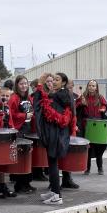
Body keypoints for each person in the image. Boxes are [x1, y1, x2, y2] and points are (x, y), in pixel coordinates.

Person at [34, 73, 74, 205]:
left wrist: (40, 84)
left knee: (53, 164)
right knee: (52, 163)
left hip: (56, 134)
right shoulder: (61, 94)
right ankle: (54, 190)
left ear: (63, 83)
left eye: (57, 80)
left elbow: (43, 100)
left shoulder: (60, 95)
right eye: (53, 79)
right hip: (56, 133)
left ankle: (57, 195)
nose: (54, 82)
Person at [8, 75, 36, 193]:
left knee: (28, 157)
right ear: (17, 85)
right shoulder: (14, 98)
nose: (24, 86)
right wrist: (24, 116)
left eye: (25, 83)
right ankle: (19, 184)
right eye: (21, 84)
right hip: (19, 130)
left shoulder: (29, 97)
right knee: (20, 158)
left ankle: (27, 182)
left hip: (28, 129)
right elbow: (11, 114)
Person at [78, 79, 107, 175]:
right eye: (90, 85)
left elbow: (105, 105)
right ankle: (87, 168)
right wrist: (81, 104)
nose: (91, 87)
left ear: (96, 88)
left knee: (99, 147)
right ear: (87, 86)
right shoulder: (83, 97)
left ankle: (100, 168)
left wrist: (103, 109)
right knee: (89, 148)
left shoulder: (99, 97)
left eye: (93, 86)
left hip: (98, 124)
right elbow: (77, 106)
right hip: (87, 125)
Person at [57, 73, 80, 189]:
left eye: (72, 87)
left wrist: (74, 126)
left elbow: (74, 113)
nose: (71, 89)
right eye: (70, 87)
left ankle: (67, 178)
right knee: (61, 153)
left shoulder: (71, 96)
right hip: (63, 128)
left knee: (68, 154)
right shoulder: (62, 95)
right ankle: (57, 181)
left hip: (70, 126)